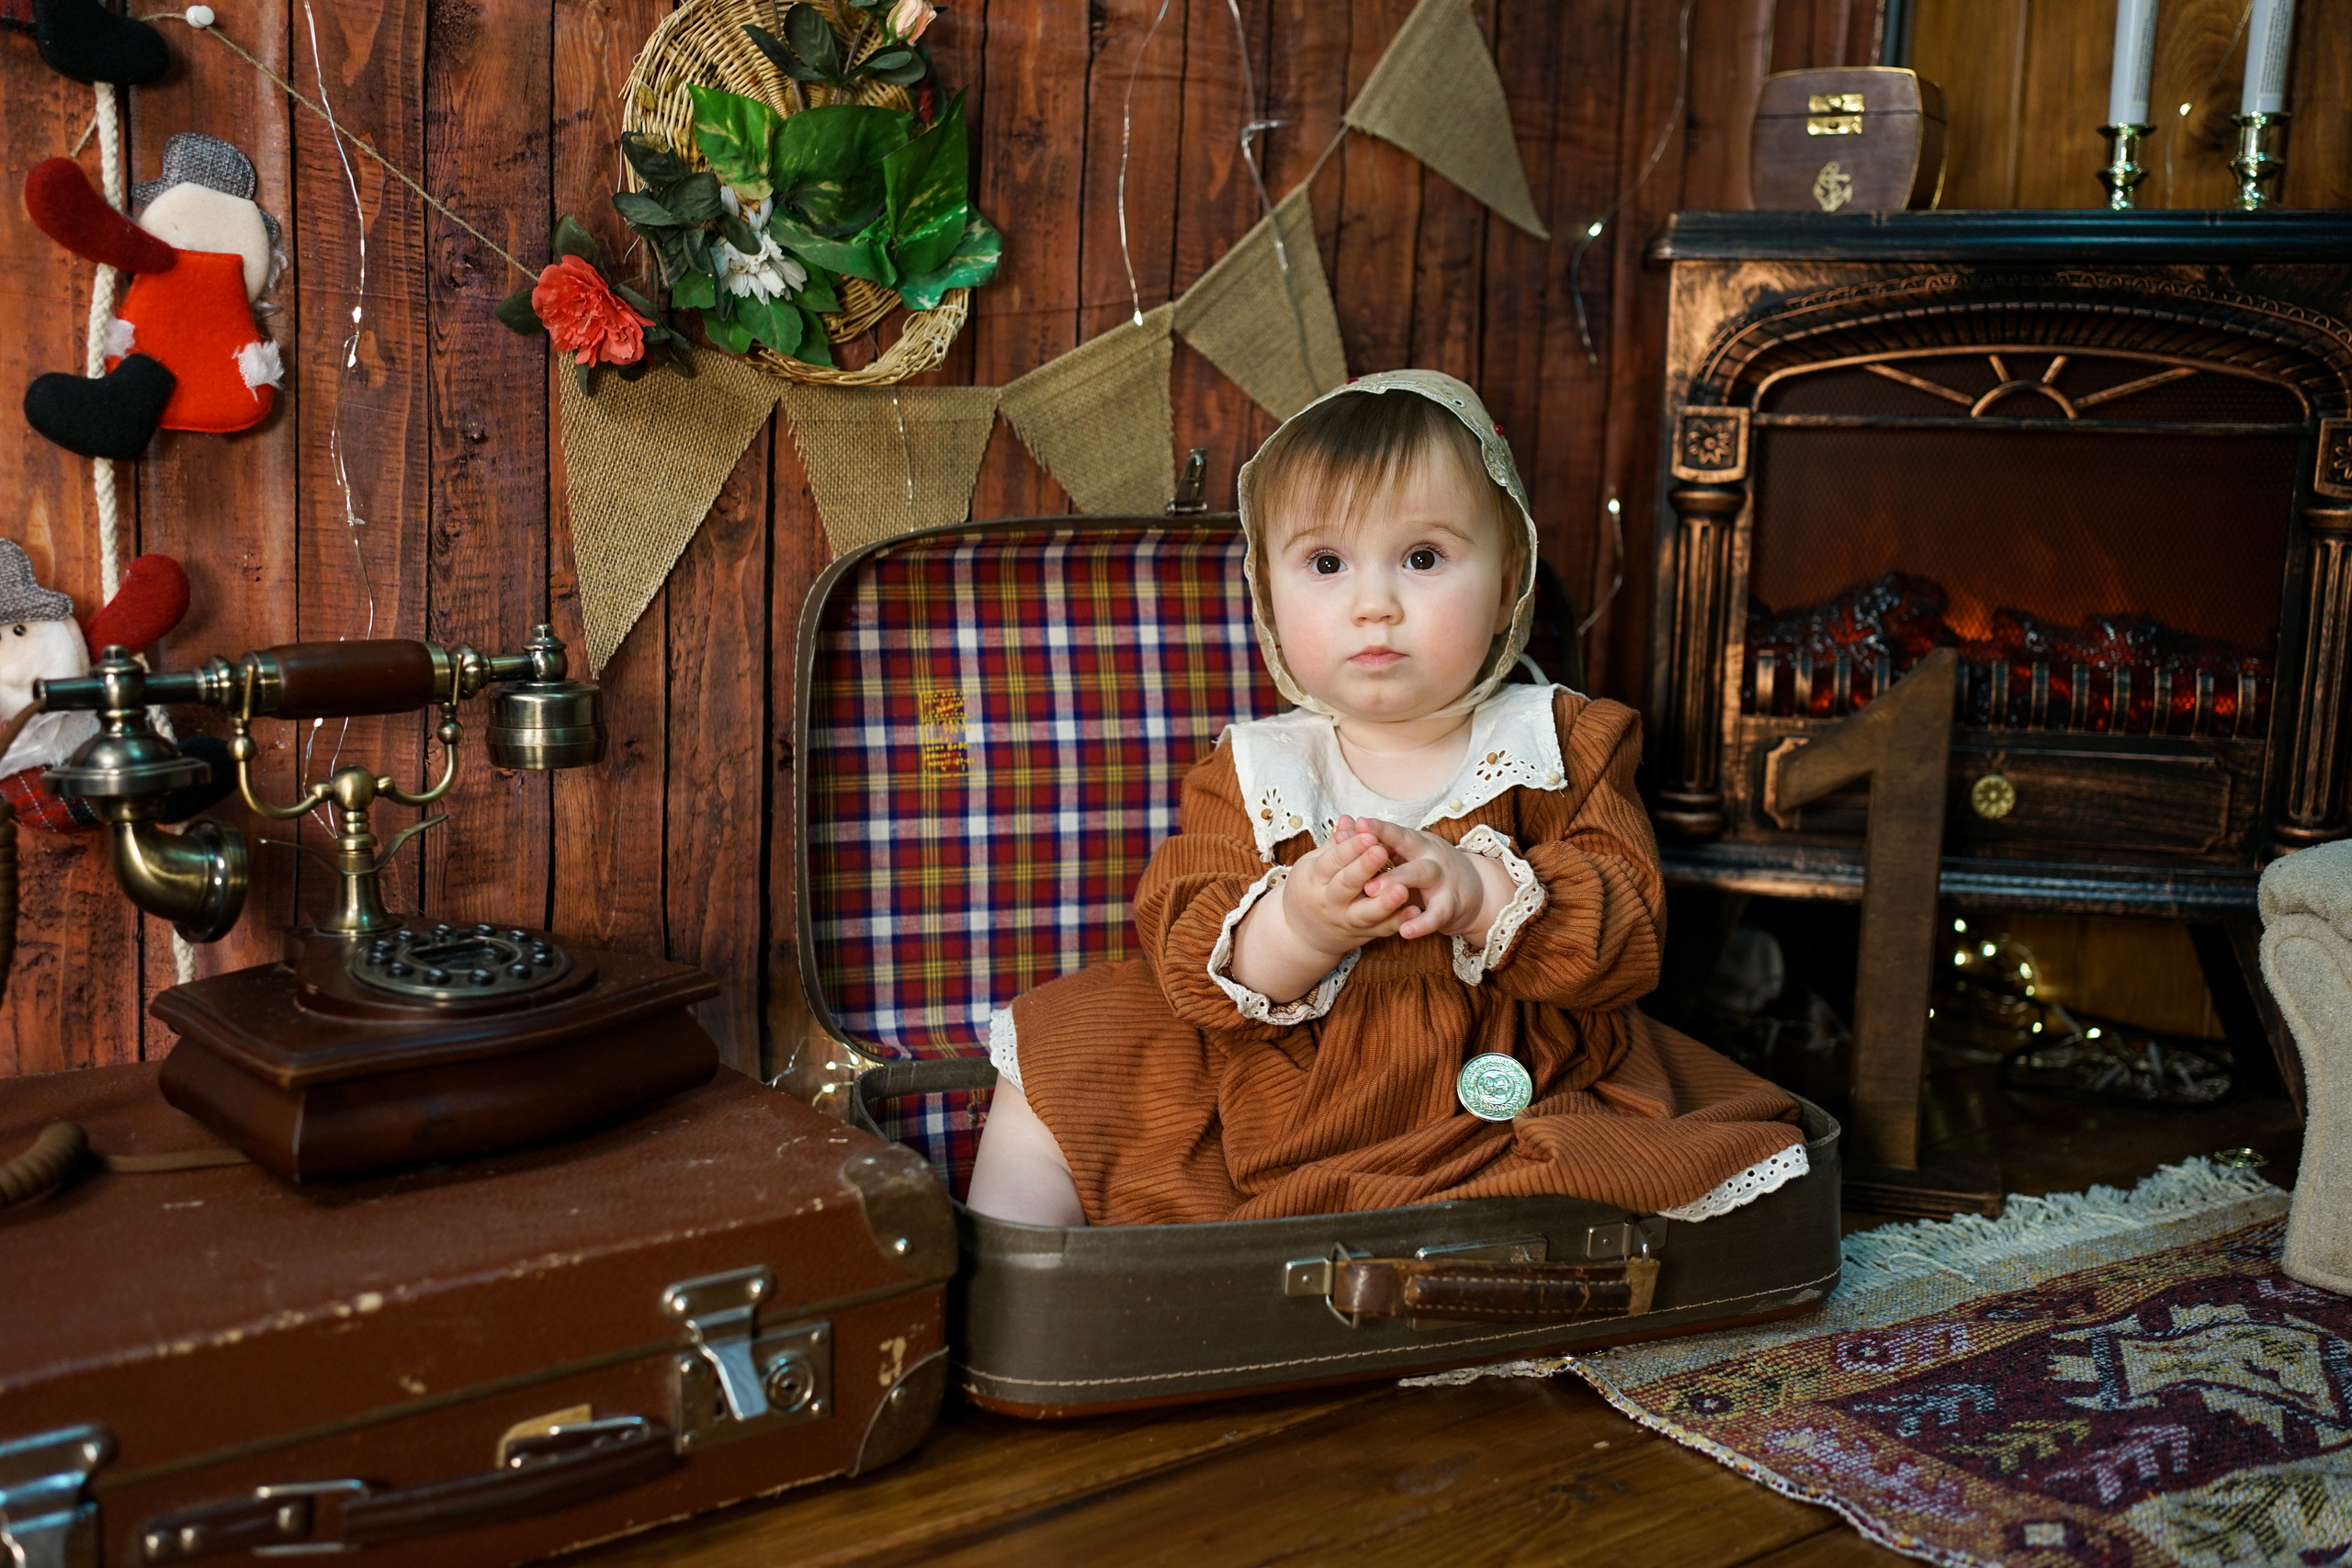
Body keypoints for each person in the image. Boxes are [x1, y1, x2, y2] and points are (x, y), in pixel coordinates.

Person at [966, 370, 1807, 1228]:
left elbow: (1628, 931)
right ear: (1267, 590)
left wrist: (1478, 893)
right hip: (1291, 1094)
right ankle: (1021, 1293)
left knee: (1670, 1165)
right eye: (1326, 563)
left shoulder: (1557, 741)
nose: (1375, 606)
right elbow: (1192, 953)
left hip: (1518, 1091)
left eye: (1423, 558)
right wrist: (1300, 924)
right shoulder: (1258, 770)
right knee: (1065, 1045)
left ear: (1508, 570)